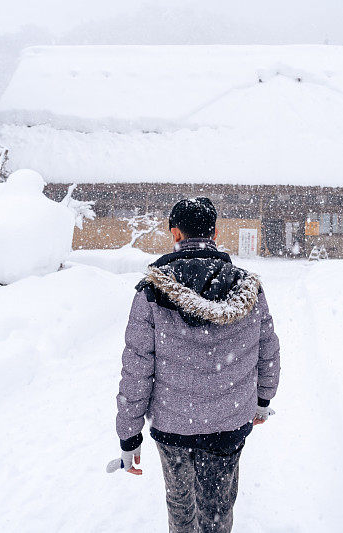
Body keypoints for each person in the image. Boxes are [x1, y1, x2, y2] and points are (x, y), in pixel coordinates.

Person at [108, 197, 281, 533]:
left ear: (175, 233)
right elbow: (268, 350)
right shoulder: (249, 288)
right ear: (215, 232)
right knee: (218, 508)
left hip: (173, 425)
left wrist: (129, 436)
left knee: (181, 508)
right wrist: (262, 401)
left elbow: (136, 367)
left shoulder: (151, 291)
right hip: (229, 424)